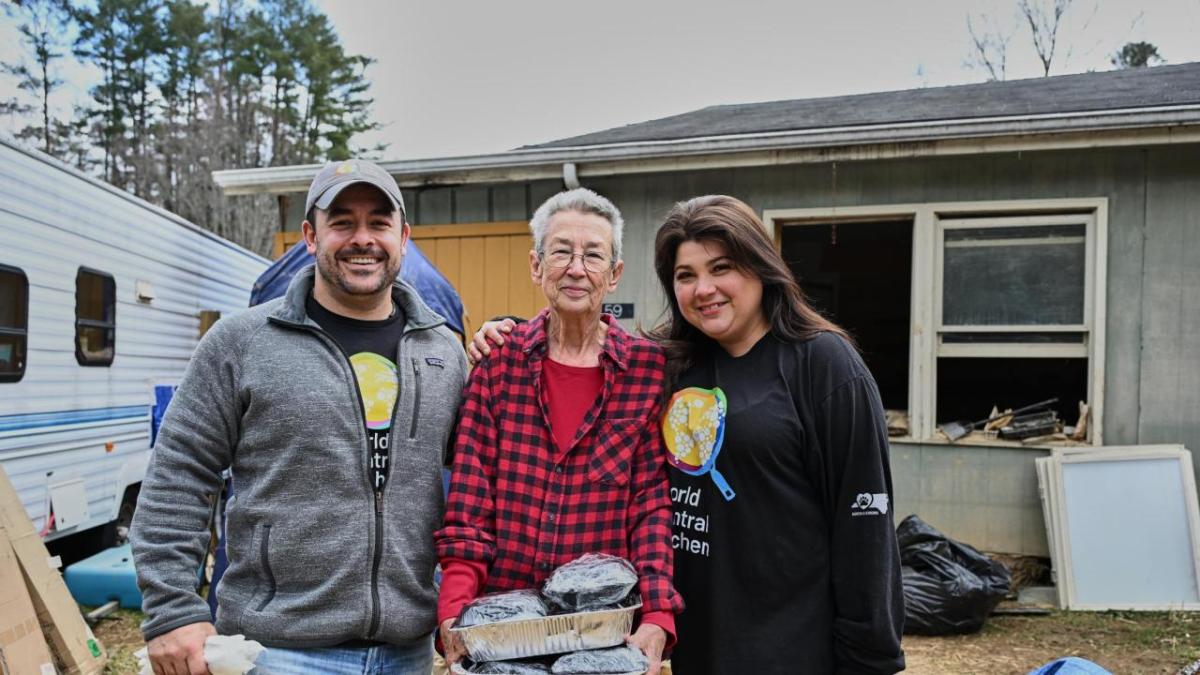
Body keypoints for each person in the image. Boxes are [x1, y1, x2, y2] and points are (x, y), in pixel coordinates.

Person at [468, 195, 905, 674]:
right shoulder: (671, 365)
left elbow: (865, 531)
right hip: (698, 646)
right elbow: (579, 351)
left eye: (722, 268)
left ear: (761, 267)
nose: (704, 289)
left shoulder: (823, 365)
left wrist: (870, 659)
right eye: (685, 275)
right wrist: (503, 333)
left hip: (794, 647)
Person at [131, 159, 468, 675]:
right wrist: (173, 607)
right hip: (278, 652)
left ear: (404, 237)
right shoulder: (241, 343)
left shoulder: (443, 351)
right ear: (311, 236)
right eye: (342, 222)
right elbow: (179, 474)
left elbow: (480, 483)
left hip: (408, 652)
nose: (362, 239)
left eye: (378, 223)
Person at [434, 188, 683, 675]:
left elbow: (651, 505)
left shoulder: (646, 371)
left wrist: (657, 611)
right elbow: (468, 502)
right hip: (499, 627)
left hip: (601, 634)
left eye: (593, 255)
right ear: (536, 265)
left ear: (613, 275)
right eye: (562, 252)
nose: (576, 268)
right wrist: (451, 611)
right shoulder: (498, 364)